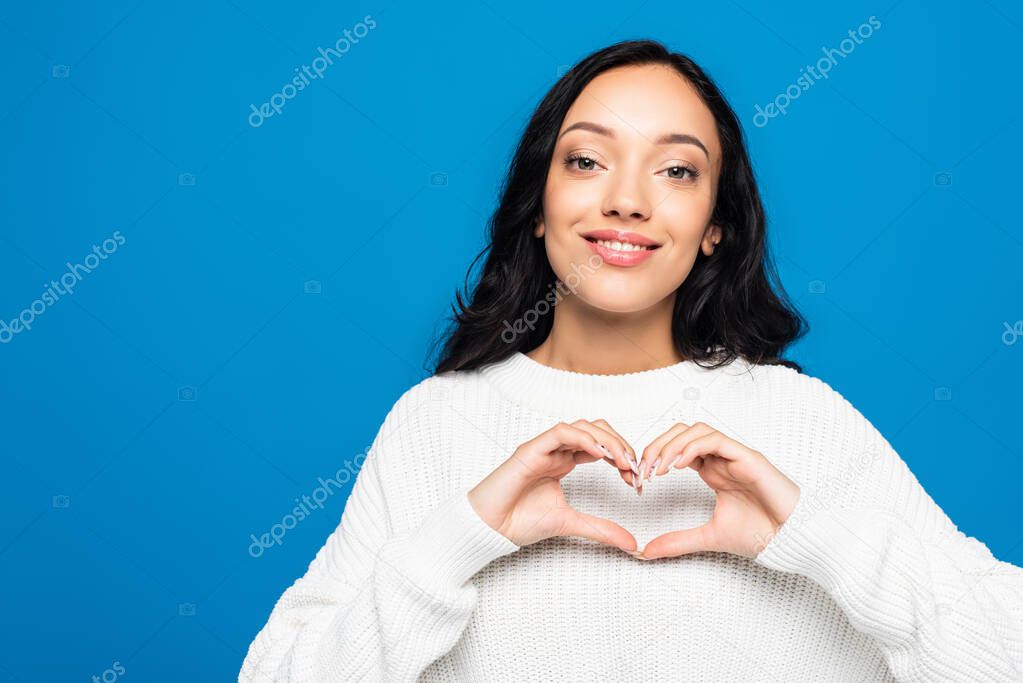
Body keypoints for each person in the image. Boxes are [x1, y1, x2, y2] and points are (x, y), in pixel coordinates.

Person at [239, 39, 1023, 681]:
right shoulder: (435, 425)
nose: (627, 199)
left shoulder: (802, 421)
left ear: (715, 224)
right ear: (536, 206)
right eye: (585, 161)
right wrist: (460, 537)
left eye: (676, 169)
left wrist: (819, 537)